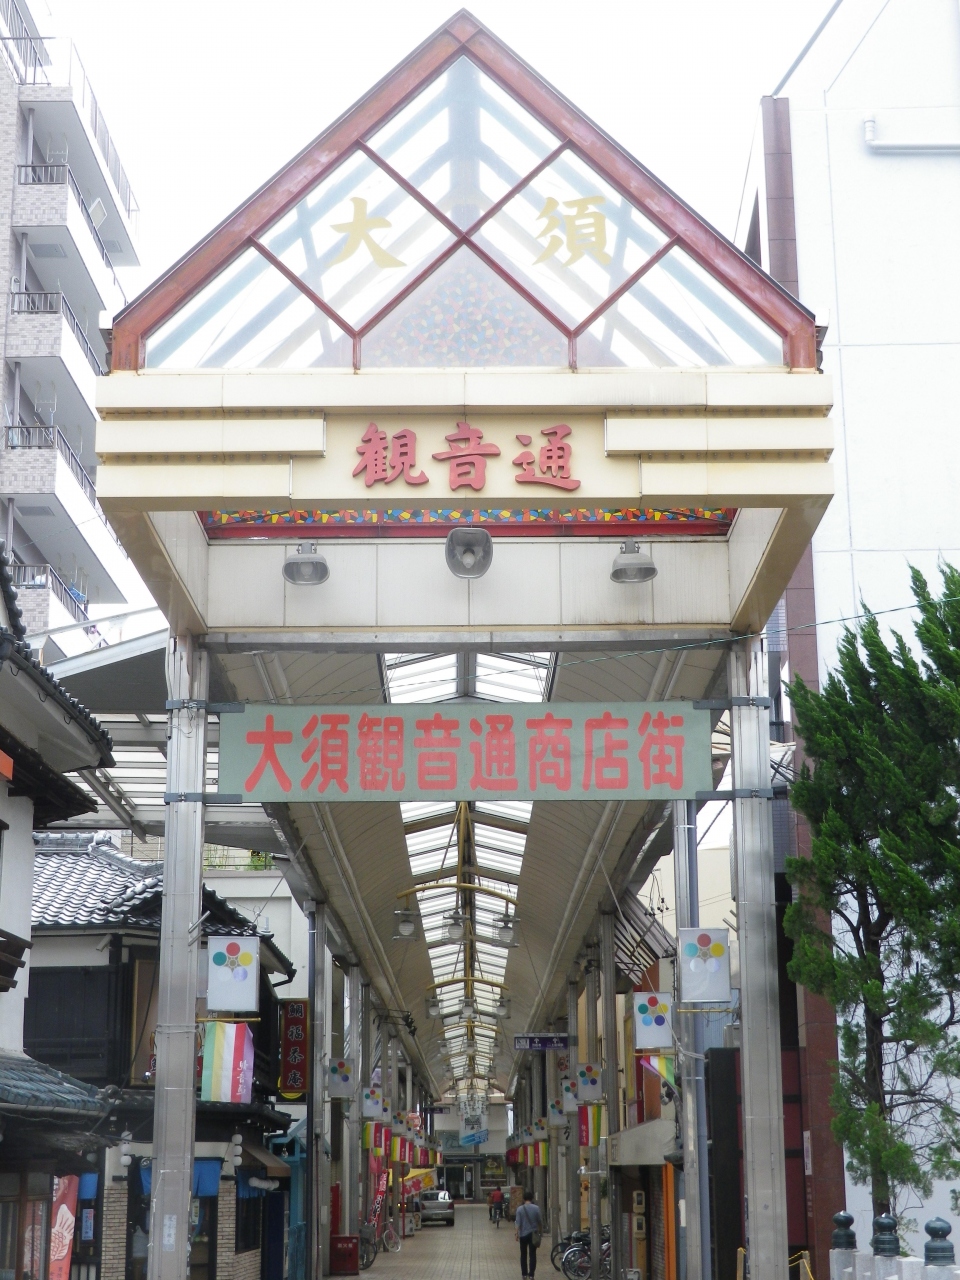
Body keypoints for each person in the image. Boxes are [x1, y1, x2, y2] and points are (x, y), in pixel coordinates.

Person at [514, 1189, 542, 1278]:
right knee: (532, 1254)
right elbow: (539, 1221)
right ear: (532, 1198)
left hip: (523, 1234)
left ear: (523, 1199)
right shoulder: (536, 1208)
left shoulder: (519, 1209)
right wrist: (540, 1231)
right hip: (533, 1234)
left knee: (523, 1255)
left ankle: (524, 1274)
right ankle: (531, 1274)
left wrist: (516, 1233)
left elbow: (518, 1223)